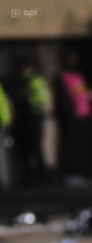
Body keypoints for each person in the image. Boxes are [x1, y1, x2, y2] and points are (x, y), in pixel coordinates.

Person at [54, 48, 92, 185]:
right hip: (70, 119)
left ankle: (79, 172)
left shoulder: (78, 75)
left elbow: (82, 95)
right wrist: (68, 115)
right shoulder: (61, 77)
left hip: (82, 117)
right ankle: (70, 174)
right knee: (69, 147)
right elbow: (63, 101)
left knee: (80, 147)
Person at [9, 57, 50, 187]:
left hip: (31, 118)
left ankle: (37, 177)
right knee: (30, 150)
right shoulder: (35, 79)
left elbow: (28, 97)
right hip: (32, 118)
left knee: (32, 149)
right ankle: (36, 177)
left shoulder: (28, 80)